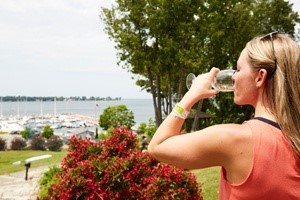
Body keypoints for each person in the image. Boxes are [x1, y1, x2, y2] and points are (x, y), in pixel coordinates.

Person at [147, 32, 300, 199]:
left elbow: (157, 146)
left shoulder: (235, 139)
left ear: (260, 77)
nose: (233, 76)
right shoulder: (293, 137)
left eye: (239, 69)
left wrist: (192, 94)